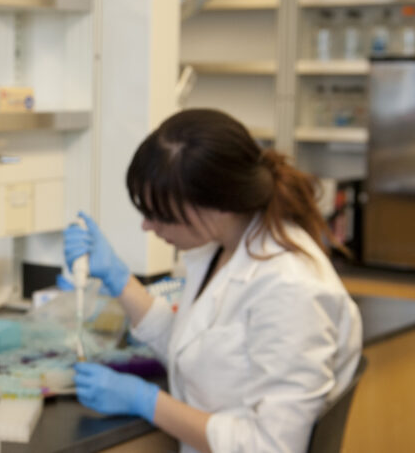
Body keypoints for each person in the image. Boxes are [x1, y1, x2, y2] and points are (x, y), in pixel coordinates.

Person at [64, 108, 362, 453]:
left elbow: (273, 446)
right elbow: (196, 347)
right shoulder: (224, 248)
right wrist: (120, 280)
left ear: (219, 204)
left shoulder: (290, 288)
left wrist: (147, 402)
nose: (148, 226)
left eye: (160, 213)